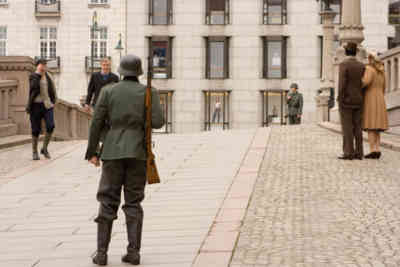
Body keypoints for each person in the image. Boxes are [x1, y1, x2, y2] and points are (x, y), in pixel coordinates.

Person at [85, 54, 164, 266]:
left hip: (111, 152)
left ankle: (101, 254)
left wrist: (92, 152)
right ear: (138, 73)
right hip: (138, 152)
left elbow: (96, 123)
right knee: (133, 203)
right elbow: (158, 121)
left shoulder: (108, 91)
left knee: (107, 201)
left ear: (120, 71)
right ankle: (133, 252)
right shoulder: (149, 92)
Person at [337, 42, 365, 160]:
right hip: (359, 99)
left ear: (345, 52)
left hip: (346, 100)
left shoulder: (343, 64)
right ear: (355, 52)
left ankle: (348, 152)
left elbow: (342, 84)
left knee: (347, 127)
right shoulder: (361, 65)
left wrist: (340, 98)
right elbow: (363, 82)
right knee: (358, 127)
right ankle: (359, 152)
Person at [26, 59, 57, 160]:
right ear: (37, 66)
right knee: (35, 129)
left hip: (47, 105)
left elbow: (53, 88)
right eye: (41, 65)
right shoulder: (33, 76)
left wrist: (54, 101)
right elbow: (33, 87)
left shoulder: (48, 76)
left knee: (51, 126)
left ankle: (44, 148)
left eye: (44, 65)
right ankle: (34, 152)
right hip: (35, 105)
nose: (43, 66)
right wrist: (39, 74)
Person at [362, 51, 389, 159]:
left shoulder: (370, 69)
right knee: (377, 127)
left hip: (370, 97)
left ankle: (373, 149)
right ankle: (377, 148)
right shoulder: (382, 71)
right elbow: (384, 87)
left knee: (371, 125)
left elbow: (365, 82)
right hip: (380, 98)